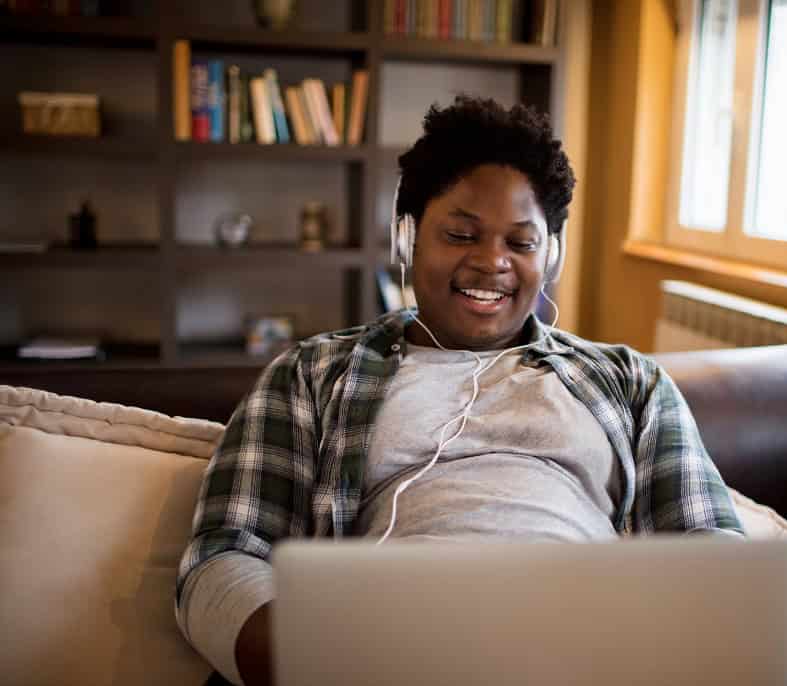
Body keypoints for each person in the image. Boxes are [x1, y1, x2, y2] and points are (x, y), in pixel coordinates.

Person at [175, 95, 743, 686]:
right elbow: (222, 557)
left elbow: (711, 545)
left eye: (521, 243)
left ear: (553, 252)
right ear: (408, 237)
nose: (492, 262)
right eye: (461, 234)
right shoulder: (313, 374)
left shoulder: (632, 383)